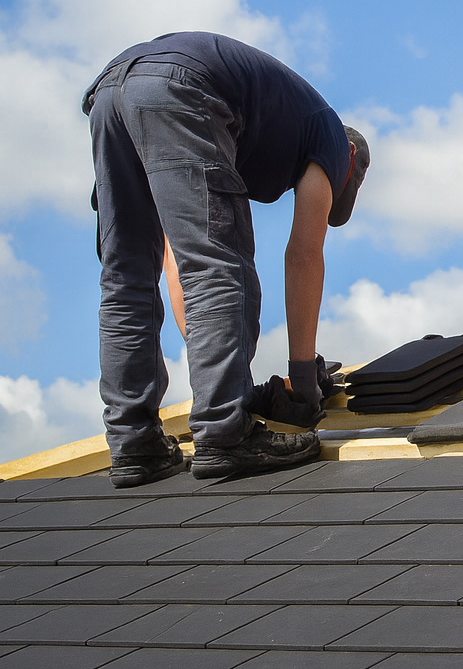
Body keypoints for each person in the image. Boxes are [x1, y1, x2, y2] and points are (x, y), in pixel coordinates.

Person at [83, 31, 370, 487]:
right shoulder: (334, 137)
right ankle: (225, 435)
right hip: (182, 86)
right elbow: (303, 256)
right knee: (221, 267)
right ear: (350, 160)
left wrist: (213, 364)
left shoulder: (282, 121)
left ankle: (135, 445)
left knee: (126, 278)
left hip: (113, 93)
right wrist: (302, 381)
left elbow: (177, 259)